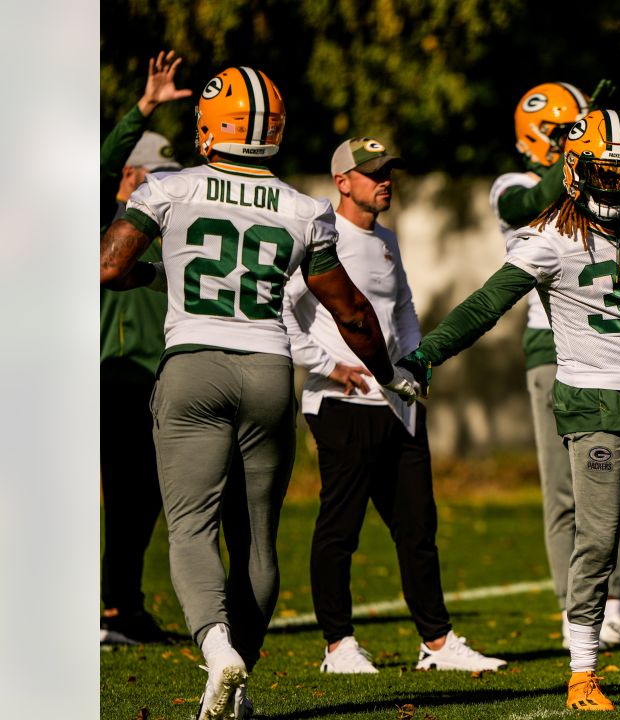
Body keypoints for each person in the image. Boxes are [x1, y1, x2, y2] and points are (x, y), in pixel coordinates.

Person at [100, 67, 422, 720]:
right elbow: (352, 311)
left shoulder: (171, 185)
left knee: (191, 527)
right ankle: (238, 693)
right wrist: (387, 372)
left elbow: (108, 265)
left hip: (193, 366)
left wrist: (162, 273)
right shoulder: (306, 210)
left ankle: (218, 651)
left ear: (211, 125)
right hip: (268, 372)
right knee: (257, 540)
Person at [400, 109, 620, 712]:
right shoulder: (549, 236)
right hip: (594, 405)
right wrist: (429, 353)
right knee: (598, 541)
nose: (612, 186)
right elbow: (486, 304)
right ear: (575, 171)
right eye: (601, 174)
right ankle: (583, 670)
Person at [492, 76, 620, 649]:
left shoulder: (611, 189)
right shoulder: (512, 185)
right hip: (559, 351)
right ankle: (575, 612)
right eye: (562, 132)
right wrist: (577, 150)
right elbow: (537, 198)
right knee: (569, 493)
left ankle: (614, 605)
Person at [282, 136, 505, 674]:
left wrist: (411, 366)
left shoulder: (386, 238)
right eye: (373, 172)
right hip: (340, 404)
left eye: (389, 172)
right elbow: (280, 312)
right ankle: (338, 645)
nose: (386, 181)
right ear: (342, 181)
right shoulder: (318, 233)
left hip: (397, 407)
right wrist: (327, 365)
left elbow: (402, 307)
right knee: (341, 529)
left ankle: (436, 642)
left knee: (417, 528)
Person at [100, 49, 191, 646]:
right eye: (150, 173)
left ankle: (121, 608)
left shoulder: (168, 227)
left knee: (143, 502)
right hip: (113, 379)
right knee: (117, 497)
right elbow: (101, 165)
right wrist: (142, 108)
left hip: (158, 380)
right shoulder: (98, 220)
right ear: (127, 178)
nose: (159, 182)